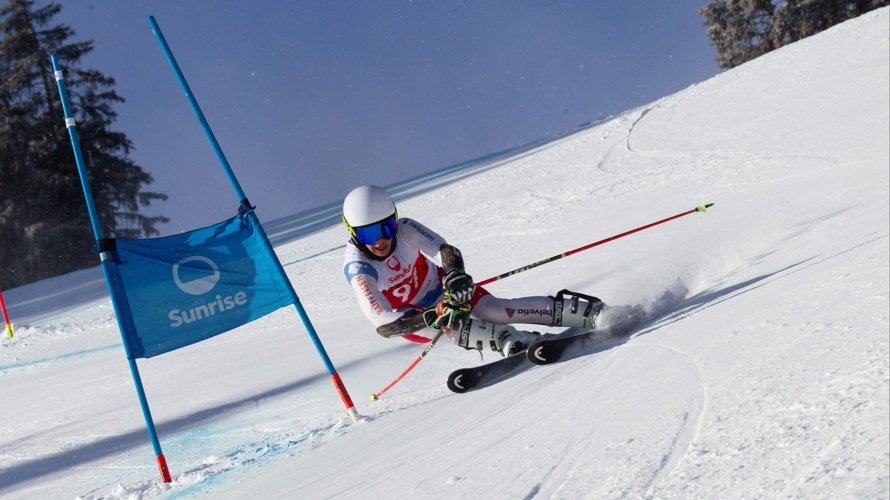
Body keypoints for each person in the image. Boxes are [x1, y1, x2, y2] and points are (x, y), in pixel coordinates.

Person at [341, 185, 604, 357]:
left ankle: (587, 313)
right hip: (416, 319)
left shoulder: (405, 229)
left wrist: (455, 276)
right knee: (453, 327)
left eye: (386, 227)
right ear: (353, 233)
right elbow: (384, 323)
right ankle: (510, 340)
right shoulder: (359, 267)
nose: (380, 240)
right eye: (368, 234)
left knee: (494, 310)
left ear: (395, 219)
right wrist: (428, 317)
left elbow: (445, 251)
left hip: (443, 290)